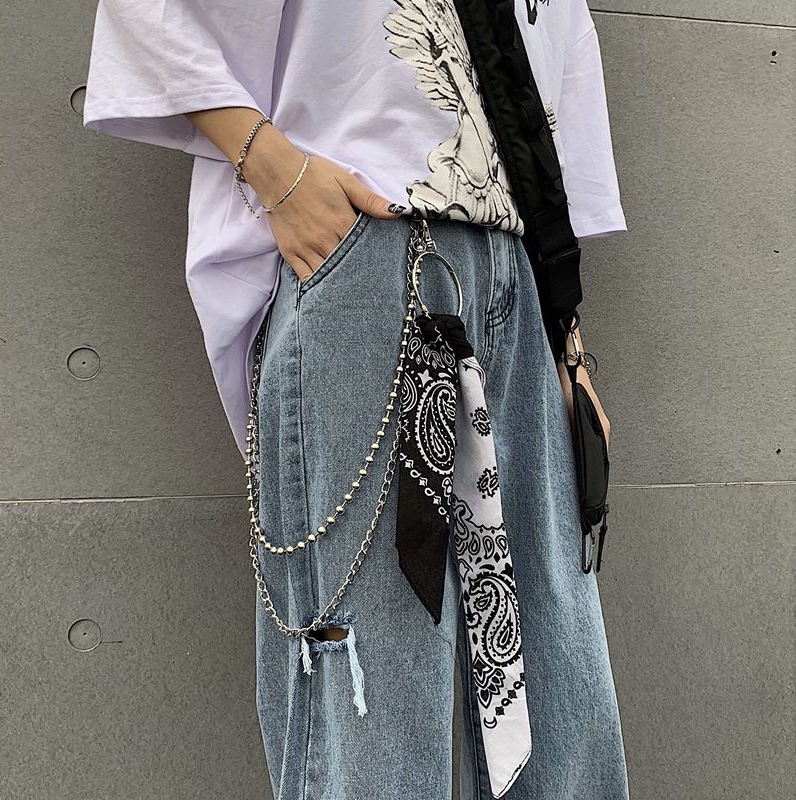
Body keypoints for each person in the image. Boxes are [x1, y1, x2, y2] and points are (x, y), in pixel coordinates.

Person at [83, 1, 630, 798]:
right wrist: (275, 170)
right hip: (370, 245)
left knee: (562, 690)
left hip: (518, 278)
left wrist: (566, 334)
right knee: (373, 701)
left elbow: (540, 75)